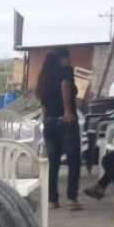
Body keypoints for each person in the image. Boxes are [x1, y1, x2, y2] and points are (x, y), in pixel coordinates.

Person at [37, 46, 82, 210]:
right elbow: (65, 86)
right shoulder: (66, 72)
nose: (69, 61)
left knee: (53, 161)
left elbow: (42, 99)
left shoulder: (44, 76)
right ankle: (71, 197)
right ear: (62, 58)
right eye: (67, 57)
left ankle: (52, 199)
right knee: (74, 159)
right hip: (65, 121)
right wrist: (68, 110)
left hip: (49, 121)